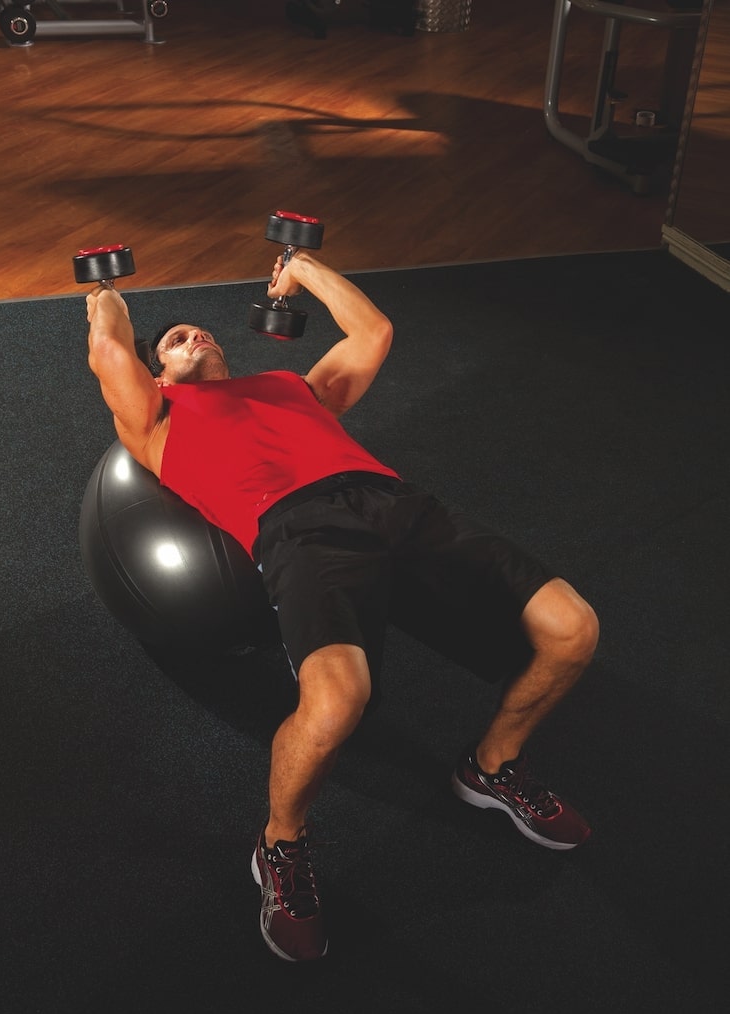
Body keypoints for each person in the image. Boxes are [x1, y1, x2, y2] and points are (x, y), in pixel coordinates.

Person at [86, 245, 599, 963]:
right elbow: (110, 350)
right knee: (335, 702)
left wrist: (300, 267)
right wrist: (103, 292)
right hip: (300, 531)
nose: (195, 336)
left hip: (396, 505)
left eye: (203, 331)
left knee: (573, 628)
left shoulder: (296, 389)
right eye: (175, 340)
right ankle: (280, 847)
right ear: (158, 372)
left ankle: (490, 767)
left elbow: (372, 333)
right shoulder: (157, 422)